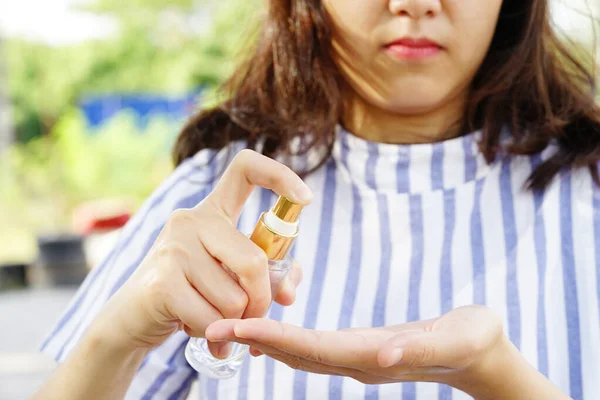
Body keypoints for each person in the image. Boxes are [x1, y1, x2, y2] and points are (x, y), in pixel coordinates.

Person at [34, 0, 600, 399]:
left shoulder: (588, 193)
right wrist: (121, 331)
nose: (416, 3)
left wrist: (496, 376)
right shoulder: (216, 187)